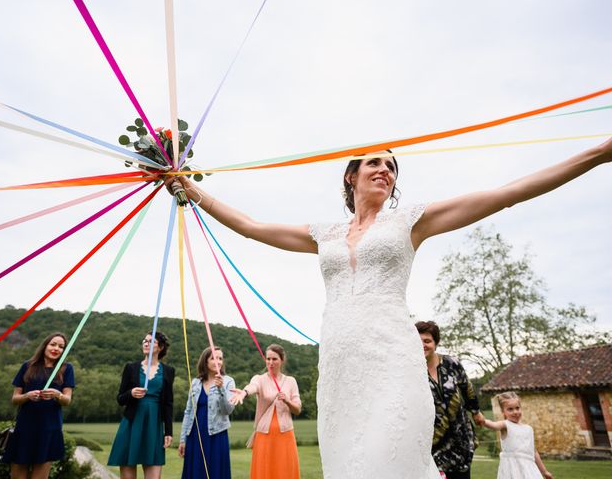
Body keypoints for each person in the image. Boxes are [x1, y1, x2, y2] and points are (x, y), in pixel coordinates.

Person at [165, 138, 612, 478]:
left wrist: (598, 154)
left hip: (393, 359)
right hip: (340, 365)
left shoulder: (410, 221)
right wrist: (189, 189)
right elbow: (251, 226)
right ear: (350, 175)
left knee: (389, 457)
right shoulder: (325, 233)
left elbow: (506, 193)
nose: (386, 170)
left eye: (392, 166)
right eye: (375, 162)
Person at [416, 320, 485, 479]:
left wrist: (476, 412)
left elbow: (467, 388)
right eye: (418, 341)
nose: (423, 345)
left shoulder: (451, 363)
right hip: (434, 444)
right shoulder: (411, 372)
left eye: (427, 341)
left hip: (461, 438)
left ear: (436, 343)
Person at [2, 332, 75, 479]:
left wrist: (57, 395)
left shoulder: (66, 369)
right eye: (53, 344)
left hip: (49, 428)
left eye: (61, 347)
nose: (56, 348)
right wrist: (27, 396)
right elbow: (15, 398)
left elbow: (67, 400)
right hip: (25, 427)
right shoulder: (27, 366)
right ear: (45, 346)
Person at [108, 331, 175, 479]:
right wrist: (131, 393)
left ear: (161, 347)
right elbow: (120, 399)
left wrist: (168, 431)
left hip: (154, 424)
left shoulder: (169, 371)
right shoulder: (131, 368)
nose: (146, 343)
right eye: (144, 340)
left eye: (151, 341)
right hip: (131, 423)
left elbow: (168, 403)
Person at [230, 344, 301, 479]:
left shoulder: (291, 381)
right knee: (265, 472)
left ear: (282, 360)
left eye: (274, 359)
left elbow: (297, 409)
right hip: (264, 436)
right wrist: (244, 393)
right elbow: (253, 386)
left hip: (285, 435)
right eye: (268, 359)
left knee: (285, 471)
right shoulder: (260, 379)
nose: (270, 362)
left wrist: (287, 400)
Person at [179, 347, 235, 479]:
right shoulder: (195, 383)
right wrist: (183, 439)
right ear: (205, 361)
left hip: (217, 435)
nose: (219, 361)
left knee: (215, 472)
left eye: (221, 358)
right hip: (195, 435)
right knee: (196, 473)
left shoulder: (228, 381)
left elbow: (228, 410)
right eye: (214, 358)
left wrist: (221, 389)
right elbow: (188, 412)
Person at [482, 392, 552, 479]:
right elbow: (494, 425)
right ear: (503, 412)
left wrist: (544, 471)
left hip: (529, 469)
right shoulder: (505, 425)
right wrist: (483, 421)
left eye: (517, 408)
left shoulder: (528, 429)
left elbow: (533, 452)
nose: (515, 412)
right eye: (510, 409)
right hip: (511, 469)